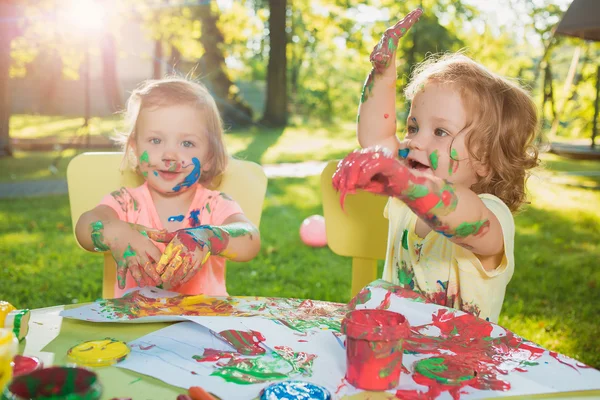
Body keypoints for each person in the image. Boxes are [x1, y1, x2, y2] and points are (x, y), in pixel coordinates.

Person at [333, 10, 539, 323]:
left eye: (440, 132)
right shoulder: (406, 202)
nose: (415, 141)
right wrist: (383, 74)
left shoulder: (490, 215)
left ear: (484, 160)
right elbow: (375, 138)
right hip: (397, 351)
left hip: (459, 363)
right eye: (413, 127)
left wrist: (404, 182)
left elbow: (462, 216)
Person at [75, 77, 260, 297]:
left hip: (202, 323)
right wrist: (113, 232)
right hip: (133, 324)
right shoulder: (124, 203)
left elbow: (250, 239)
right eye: (155, 140)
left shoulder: (215, 205)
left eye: (187, 143)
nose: (169, 155)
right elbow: (84, 227)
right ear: (134, 147)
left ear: (209, 156)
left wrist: (210, 237)